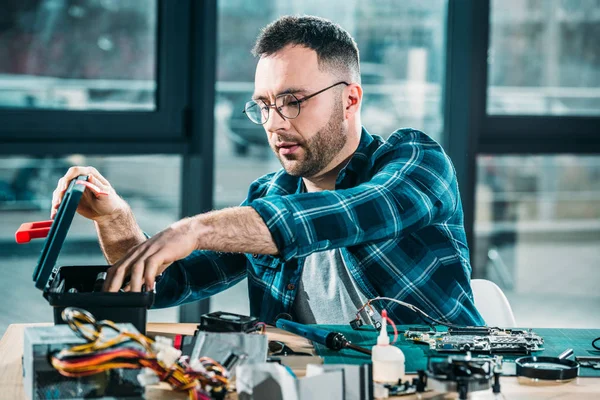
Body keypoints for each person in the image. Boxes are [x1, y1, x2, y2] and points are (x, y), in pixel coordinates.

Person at [52, 16, 484, 326]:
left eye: (293, 100)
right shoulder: (270, 196)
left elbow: (350, 213)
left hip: (439, 383)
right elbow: (166, 284)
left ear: (350, 99)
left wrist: (197, 229)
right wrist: (115, 219)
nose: (275, 123)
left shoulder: (416, 162)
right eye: (264, 106)